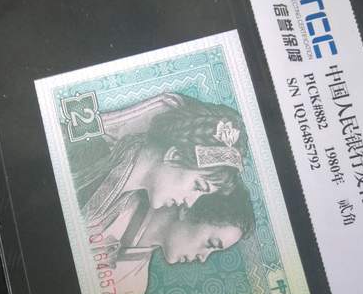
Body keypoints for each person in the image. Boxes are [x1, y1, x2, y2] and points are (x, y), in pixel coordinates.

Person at [73, 94, 248, 228]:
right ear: (174, 156)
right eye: (198, 186)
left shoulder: (120, 206)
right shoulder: (87, 155)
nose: (189, 203)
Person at [93, 181, 255, 294]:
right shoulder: (120, 197)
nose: (203, 258)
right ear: (187, 210)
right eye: (210, 244)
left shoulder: (134, 287)